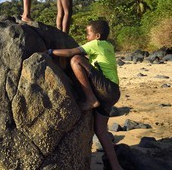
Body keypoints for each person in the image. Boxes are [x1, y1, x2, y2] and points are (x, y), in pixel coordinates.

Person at [46, 20, 122, 170]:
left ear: (97, 36)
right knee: (100, 131)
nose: (87, 37)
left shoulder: (96, 44)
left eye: (88, 34)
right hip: (113, 92)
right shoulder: (108, 46)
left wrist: (49, 52)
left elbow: (70, 53)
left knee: (76, 60)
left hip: (106, 89)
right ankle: (116, 166)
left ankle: (90, 99)